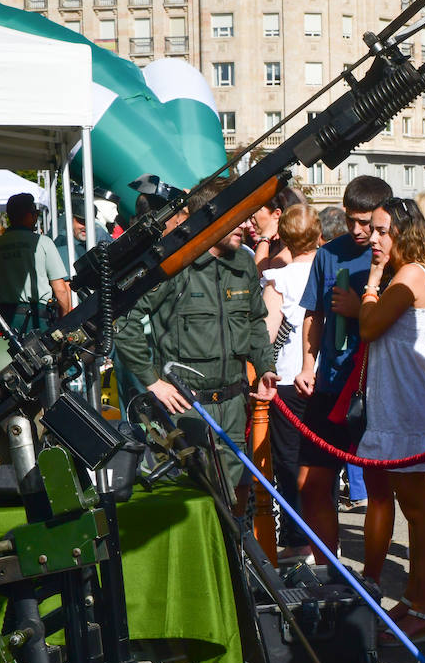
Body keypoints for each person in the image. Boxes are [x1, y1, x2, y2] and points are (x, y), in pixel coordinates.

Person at [113, 178, 280, 504]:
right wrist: (152, 382)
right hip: (187, 411)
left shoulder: (244, 262)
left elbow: (254, 321)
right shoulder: (175, 264)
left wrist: (265, 367)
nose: (247, 225)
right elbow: (125, 319)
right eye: (239, 217)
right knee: (190, 505)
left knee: (231, 504)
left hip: (233, 408)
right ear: (211, 218)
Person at [354, 197, 425, 641]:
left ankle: (424, 608)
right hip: (394, 407)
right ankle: (414, 599)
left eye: (382, 231)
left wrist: (371, 284)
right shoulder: (406, 273)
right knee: (411, 508)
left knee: (418, 511)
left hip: (407, 409)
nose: (373, 238)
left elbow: (369, 326)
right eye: (372, 230)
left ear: (405, 234)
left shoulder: (409, 275)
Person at [293, 176, 393, 563]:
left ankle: (373, 577)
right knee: (312, 482)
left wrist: (361, 308)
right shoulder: (328, 253)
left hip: (374, 388)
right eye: (351, 220)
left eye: (366, 222)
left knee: (379, 486)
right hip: (331, 385)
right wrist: (307, 363)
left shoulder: (395, 254)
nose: (356, 230)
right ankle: (328, 571)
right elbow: (313, 313)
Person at [262, 204, 320, 559]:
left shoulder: (278, 279)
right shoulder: (330, 271)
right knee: (323, 462)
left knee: (289, 460)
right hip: (324, 376)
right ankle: (323, 537)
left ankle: (298, 539)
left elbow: (267, 333)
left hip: (286, 377)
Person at [0, 193, 73, 333]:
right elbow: (61, 290)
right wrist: (65, 322)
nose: (36, 218)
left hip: (2, 319)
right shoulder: (43, 243)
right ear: (29, 215)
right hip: (36, 320)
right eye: (35, 213)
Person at [249, 184, 309, 274]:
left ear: (277, 214)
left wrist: (264, 238)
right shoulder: (283, 246)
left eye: (258, 209)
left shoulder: (284, 257)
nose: (252, 216)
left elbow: (260, 277)